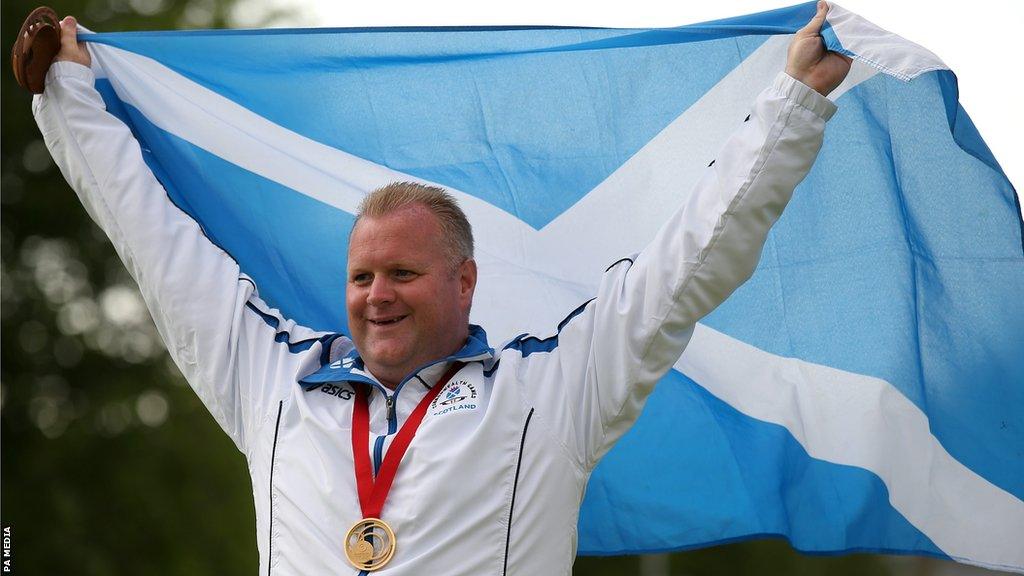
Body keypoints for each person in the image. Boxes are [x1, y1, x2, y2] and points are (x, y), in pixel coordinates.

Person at [31, 2, 850, 574]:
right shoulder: (273, 379)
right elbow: (159, 246)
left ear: (464, 282)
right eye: (360, 275)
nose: (375, 295)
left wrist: (793, 104)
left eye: (402, 273)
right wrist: (70, 97)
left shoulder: (554, 386)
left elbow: (690, 262)